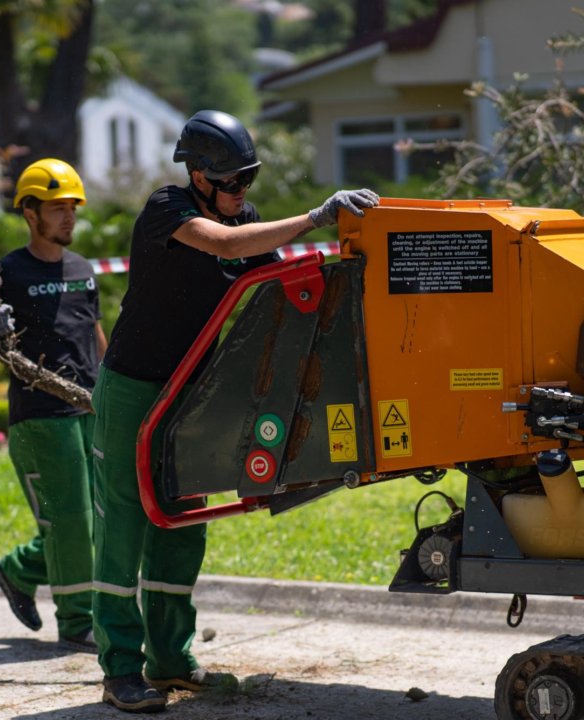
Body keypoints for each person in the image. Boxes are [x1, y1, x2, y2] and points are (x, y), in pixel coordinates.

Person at [92, 109, 379, 713]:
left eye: (248, 181)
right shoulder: (167, 210)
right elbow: (223, 244)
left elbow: (281, 282)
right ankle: (120, 669)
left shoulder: (243, 218)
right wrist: (315, 216)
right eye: (231, 183)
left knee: (183, 521)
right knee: (124, 524)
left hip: (191, 392)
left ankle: (169, 659)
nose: (241, 194)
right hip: (134, 387)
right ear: (197, 175)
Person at [0, 158, 108, 652]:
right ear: (30, 213)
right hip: (39, 415)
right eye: (57, 208)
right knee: (71, 520)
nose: (69, 217)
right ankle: (77, 623)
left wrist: (114, 387)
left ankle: (18, 569)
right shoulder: (7, 270)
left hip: (89, 407)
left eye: (72, 207)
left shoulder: (82, 269)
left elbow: (94, 333)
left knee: (93, 518)